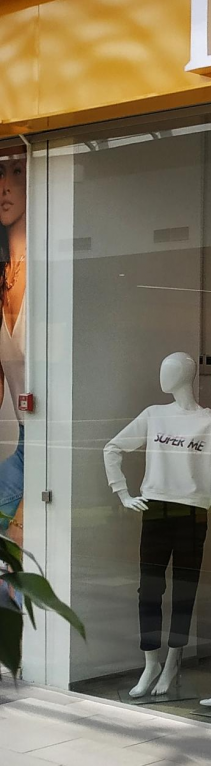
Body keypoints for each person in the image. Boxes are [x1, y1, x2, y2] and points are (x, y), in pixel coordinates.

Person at [0, 148, 28, 548]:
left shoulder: (48, 273)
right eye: (0, 172)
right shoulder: (3, 275)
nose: (4, 185)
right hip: (15, 442)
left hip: (46, 440)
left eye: (17, 171)